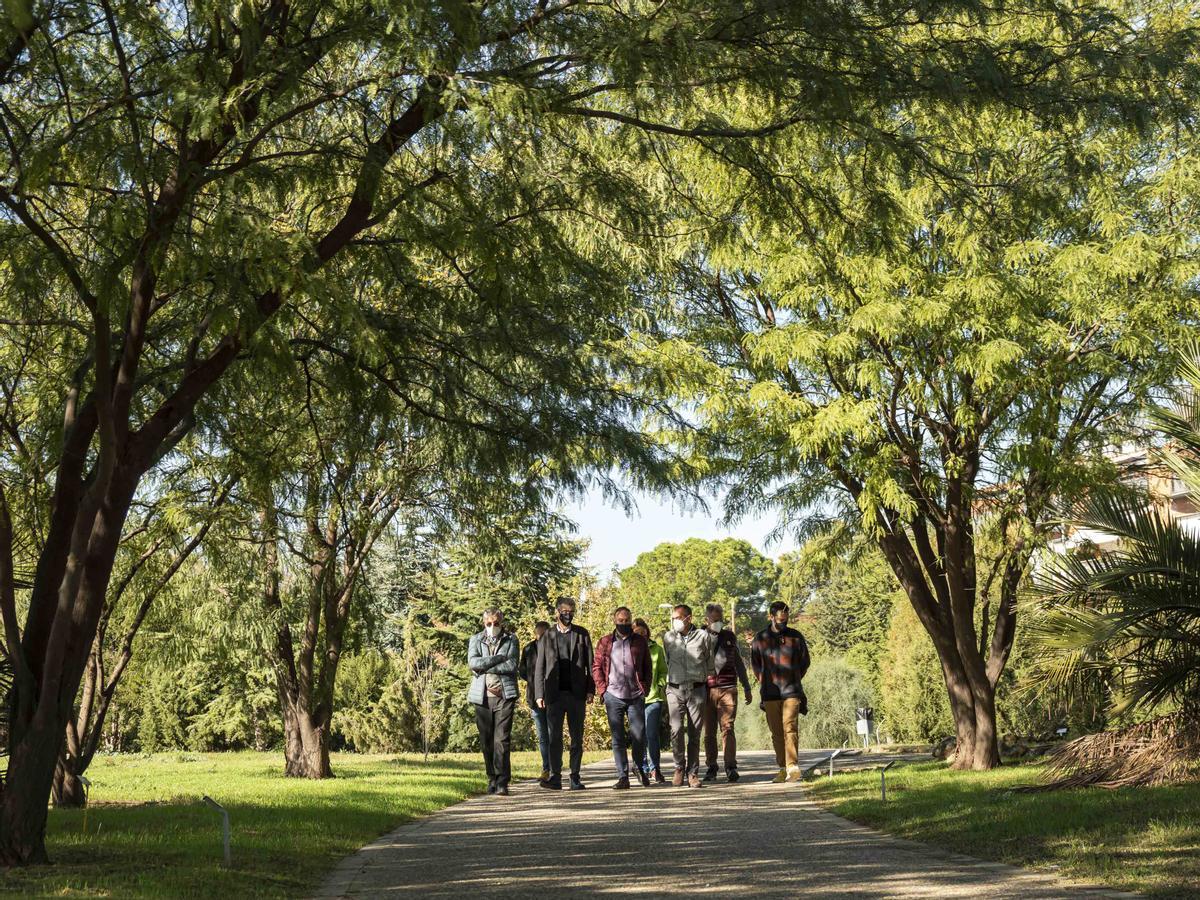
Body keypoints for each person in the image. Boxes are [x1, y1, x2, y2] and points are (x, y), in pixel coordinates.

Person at [533, 597, 594, 790]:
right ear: (557, 612)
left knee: (577, 737)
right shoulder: (547, 636)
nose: (568, 614)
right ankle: (555, 776)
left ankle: (575, 776)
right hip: (554, 695)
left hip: (577, 694)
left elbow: (590, 665)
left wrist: (591, 690)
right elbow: (540, 667)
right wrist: (539, 694)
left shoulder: (582, 634)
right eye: (565, 611)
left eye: (571, 610)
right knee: (554, 738)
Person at [592, 606, 652, 789]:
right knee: (617, 737)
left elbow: (648, 666)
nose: (624, 623)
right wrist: (603, 690)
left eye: (627, 621)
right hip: (613, 696)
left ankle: (638, 766)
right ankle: (622, 776)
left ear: (631, 621)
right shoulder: (604, 642)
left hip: (635, 695)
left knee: (639, 735)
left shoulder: (640, 642)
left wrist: (646, 688)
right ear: (614, 620)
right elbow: (596, 667)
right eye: (621, 620)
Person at [751, 600, 811, 783]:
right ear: (771, 617)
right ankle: (782, 768)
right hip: (770, 693)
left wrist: (793, 677)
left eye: (785, 620)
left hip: (791, 691)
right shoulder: (760, 639)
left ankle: (793, 766)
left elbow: (805, 662)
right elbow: (755, 666)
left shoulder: (796, 637)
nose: (783, 623)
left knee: (790, 727)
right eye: (779, 620)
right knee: (776, 732)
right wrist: (765, 681)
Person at [467, 608, 520, 796]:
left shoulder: (511, 639)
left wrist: (486, 666)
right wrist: (498, 658)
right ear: (484, 623)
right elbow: (473, 663)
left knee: (502, 740)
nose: (492, 626)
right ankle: (491, 777)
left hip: (505, 696)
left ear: (501, 622)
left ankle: (502, 781)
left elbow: (512, 664)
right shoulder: (475, 639)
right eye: (489, 623)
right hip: (482, 697)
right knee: (486, 740)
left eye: (496, 623)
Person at [661, 603, 715, 788]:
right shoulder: (668, 637)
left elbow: (709, 661)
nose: (675, 621)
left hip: (697, 689)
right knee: (675, 729)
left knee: (694, 733)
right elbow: (667, 660)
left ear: (688, 618)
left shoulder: (703, 636)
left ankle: (693, 773)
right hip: (674, 689)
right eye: (673, 618)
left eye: (678, 617)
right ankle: (678, 768)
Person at [702, 602, 753, 783]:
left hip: (728, 688)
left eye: (720, 619)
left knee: (728, 728)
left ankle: (730, 766)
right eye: (714, 619)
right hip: (706, 690)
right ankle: (711, 767)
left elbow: (739, 663)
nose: (717, 622)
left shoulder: (729, 636)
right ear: (706, 619)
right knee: (709, 732)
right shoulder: (699, 635)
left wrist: (746, 686)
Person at [635, 618, 668, 784]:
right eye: (637, 633)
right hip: (634, 698)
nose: (641, 636)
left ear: (647, 633)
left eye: (643, 633)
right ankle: (642, 768)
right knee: (639, 735)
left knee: (652, 734)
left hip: (653, 697)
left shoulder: (657, 649)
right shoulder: (629, 648)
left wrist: (661, 684)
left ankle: (655, 768)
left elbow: (663, 671)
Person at [518, 620, 551, 782]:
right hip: (534, 697)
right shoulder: (528, 649)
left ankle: (554, 768)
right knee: (542, 736)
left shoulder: (554, 647)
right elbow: (522, 671)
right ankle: (546, 768)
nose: (541, 638)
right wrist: (535, 682)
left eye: (544, 635)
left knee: (553, 734)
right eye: (538, 635)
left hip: (553, 698)